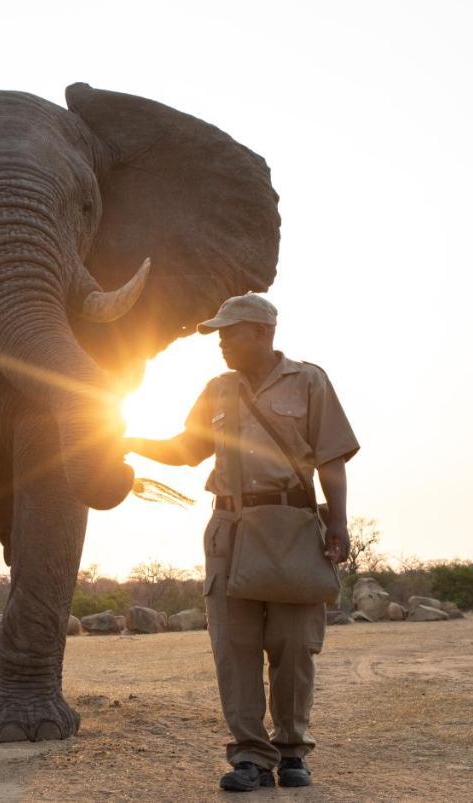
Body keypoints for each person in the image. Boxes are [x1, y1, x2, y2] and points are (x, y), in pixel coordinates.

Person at [125, 292, 359, 792]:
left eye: (230, 333)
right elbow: (187, 450)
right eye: (218, 335)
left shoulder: (309, 380)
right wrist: (127, 440)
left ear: (263, 333)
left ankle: (293, 750)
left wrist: (337, 523)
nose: (222, 344)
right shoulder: (217, 389)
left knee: (295, 646)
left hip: (294, 527)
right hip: (230, 532)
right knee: (235, 648)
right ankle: (250, 756)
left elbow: (332, 461)